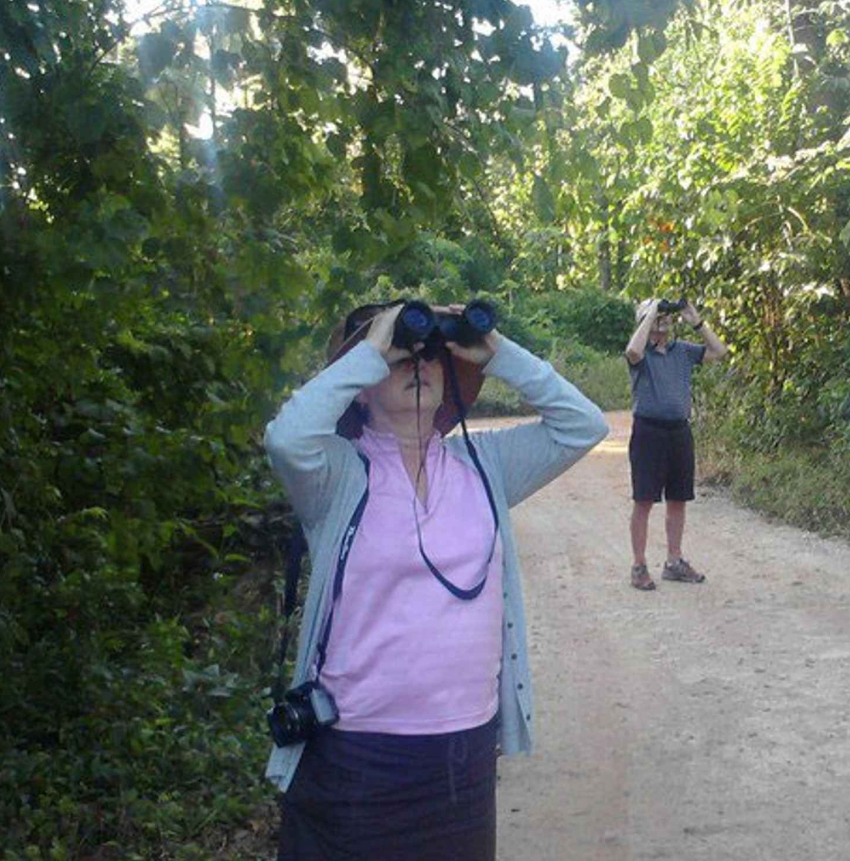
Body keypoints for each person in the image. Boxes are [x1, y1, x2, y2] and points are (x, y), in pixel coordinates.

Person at [263, 300, 608, 860]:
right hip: (356, 759)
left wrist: (495, 352)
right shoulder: (337, 473)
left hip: (461, 760)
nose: (416, 366)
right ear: (363, 387)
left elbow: (582, 425)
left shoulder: (484, 465)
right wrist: (373, 348)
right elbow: (286, 438)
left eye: (429, 358)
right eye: (400, 359)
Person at [623, 297, 727, 590]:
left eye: (664, 317)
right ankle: (639, 564)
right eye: (657, 318)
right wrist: (649, 314)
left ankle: (674, 560)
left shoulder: (681, 351)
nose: (662, 321)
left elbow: (719, 351)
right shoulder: (640, 354)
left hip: (679, 431)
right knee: (644, 500)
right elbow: (632, 349)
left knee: (678, 499)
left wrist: (696, 321)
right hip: (648, 432)